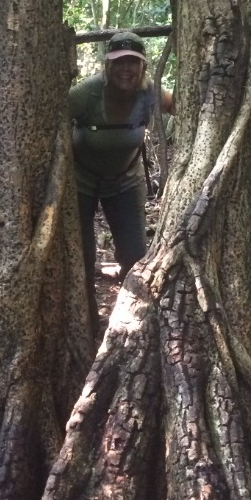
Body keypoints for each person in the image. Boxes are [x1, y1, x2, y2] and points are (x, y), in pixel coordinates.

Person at [69, 30, 172, 331]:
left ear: (143, 67)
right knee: (82, 257)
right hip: (81, 179)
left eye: (133, 63)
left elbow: (179, 104)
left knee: (134, 254)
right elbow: (49, 117)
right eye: (119, 62)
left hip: (125, 180)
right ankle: (87, 324)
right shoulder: (86, 93)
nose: (126, 69)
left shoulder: (148, 93)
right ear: (107, 65)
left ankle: (130, 323)